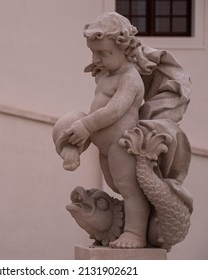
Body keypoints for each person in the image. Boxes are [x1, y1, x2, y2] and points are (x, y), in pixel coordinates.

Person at [62, 12, 151, 248]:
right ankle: (71, 149)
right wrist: (84, 127)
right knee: (67, 121)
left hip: (121, 144)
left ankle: (135, 233)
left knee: (129, 189)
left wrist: (87, 125)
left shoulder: (130, 78)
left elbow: (114, 111)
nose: (96, 58)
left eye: (103, 53)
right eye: (93, 52)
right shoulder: (106, 74)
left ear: (126, 50)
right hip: (102, 144)